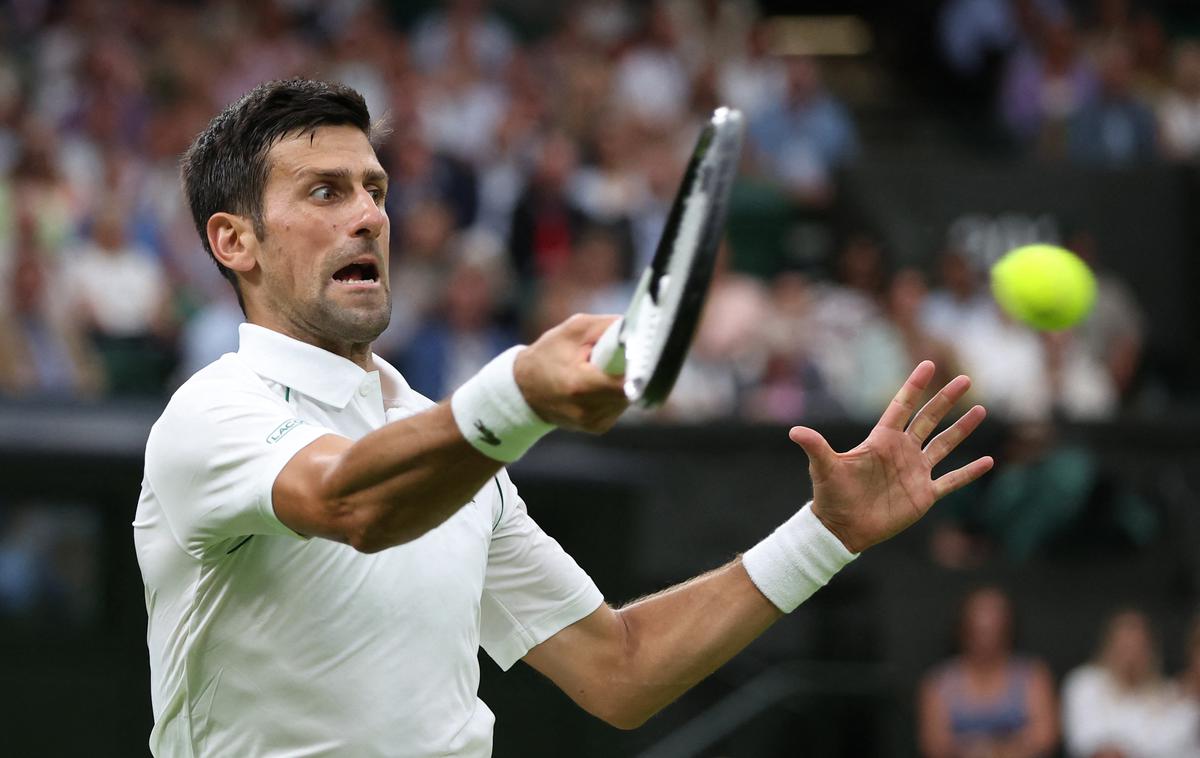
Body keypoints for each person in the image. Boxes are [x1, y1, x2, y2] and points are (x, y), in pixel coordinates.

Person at [133, 79, 994, 757]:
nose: (367, 215)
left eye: (375, 189)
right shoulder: (213, 412)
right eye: (324, 192)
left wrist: (826, 534)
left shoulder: (448, 443)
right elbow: (351, 506)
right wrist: (516, 395)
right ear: (233, 242)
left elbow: (619, 669)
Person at [918, 586, 1059, 758]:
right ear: (962, 627)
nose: (987, 632)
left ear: (1009, 626)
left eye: (995, 624)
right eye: (979, 626)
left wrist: (986, 750)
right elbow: (935, 746)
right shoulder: (939, 682)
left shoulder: (1032, 674)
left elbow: (1044, 739)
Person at [1062, 609, 1200, 758]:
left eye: (1138, 645)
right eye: (1124, 645)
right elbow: (1092, 746)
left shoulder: (1171, 694)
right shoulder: (1085, 683)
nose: (1131, 654)